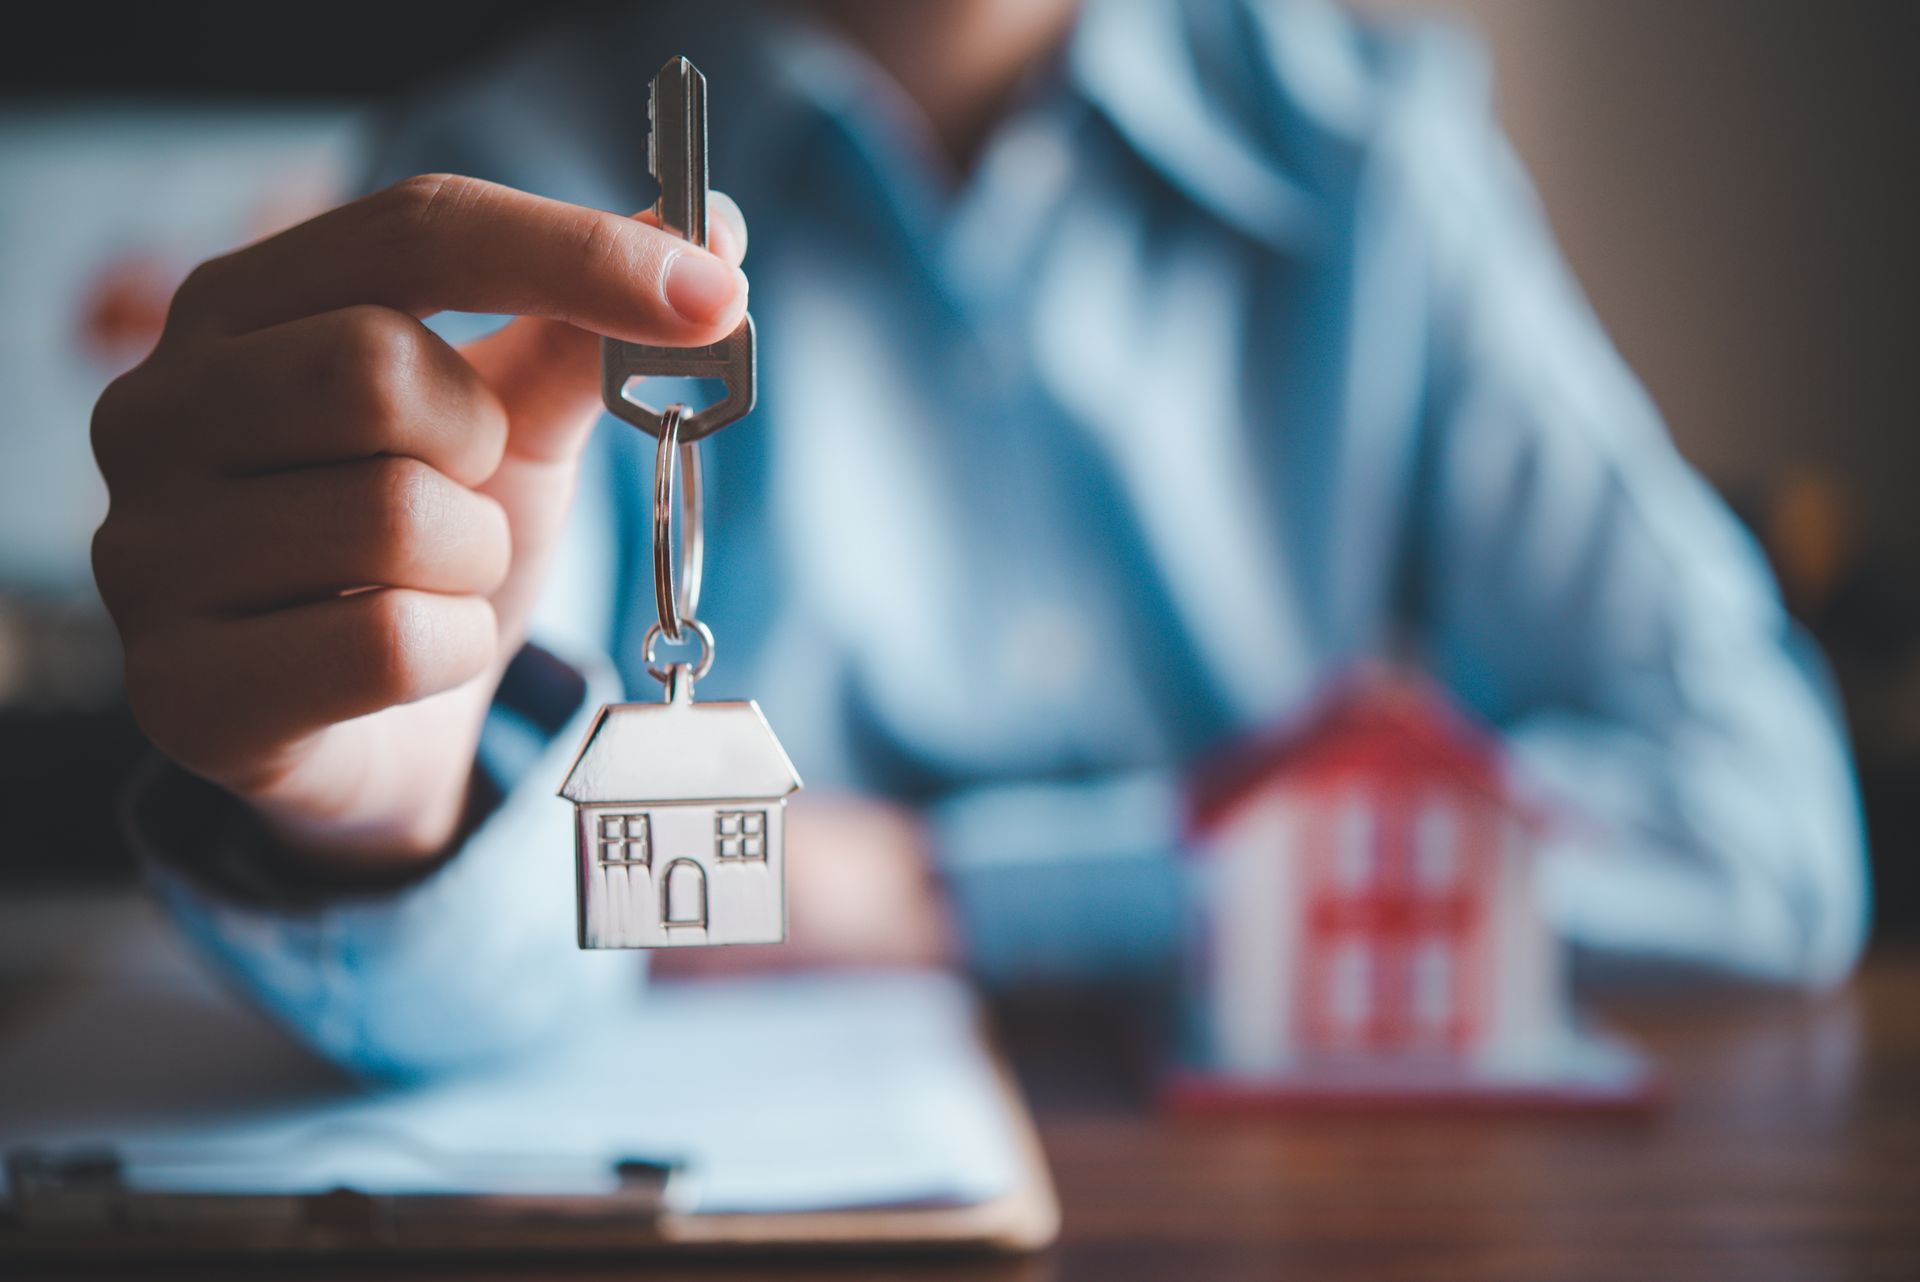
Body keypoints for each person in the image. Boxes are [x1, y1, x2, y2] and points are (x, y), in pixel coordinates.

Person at [89, 0, 1867, 1082]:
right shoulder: (512, 168)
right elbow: (544, 911)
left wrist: (949, 893)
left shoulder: (1378, 166)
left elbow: (1758, 829)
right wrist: (401, 817)